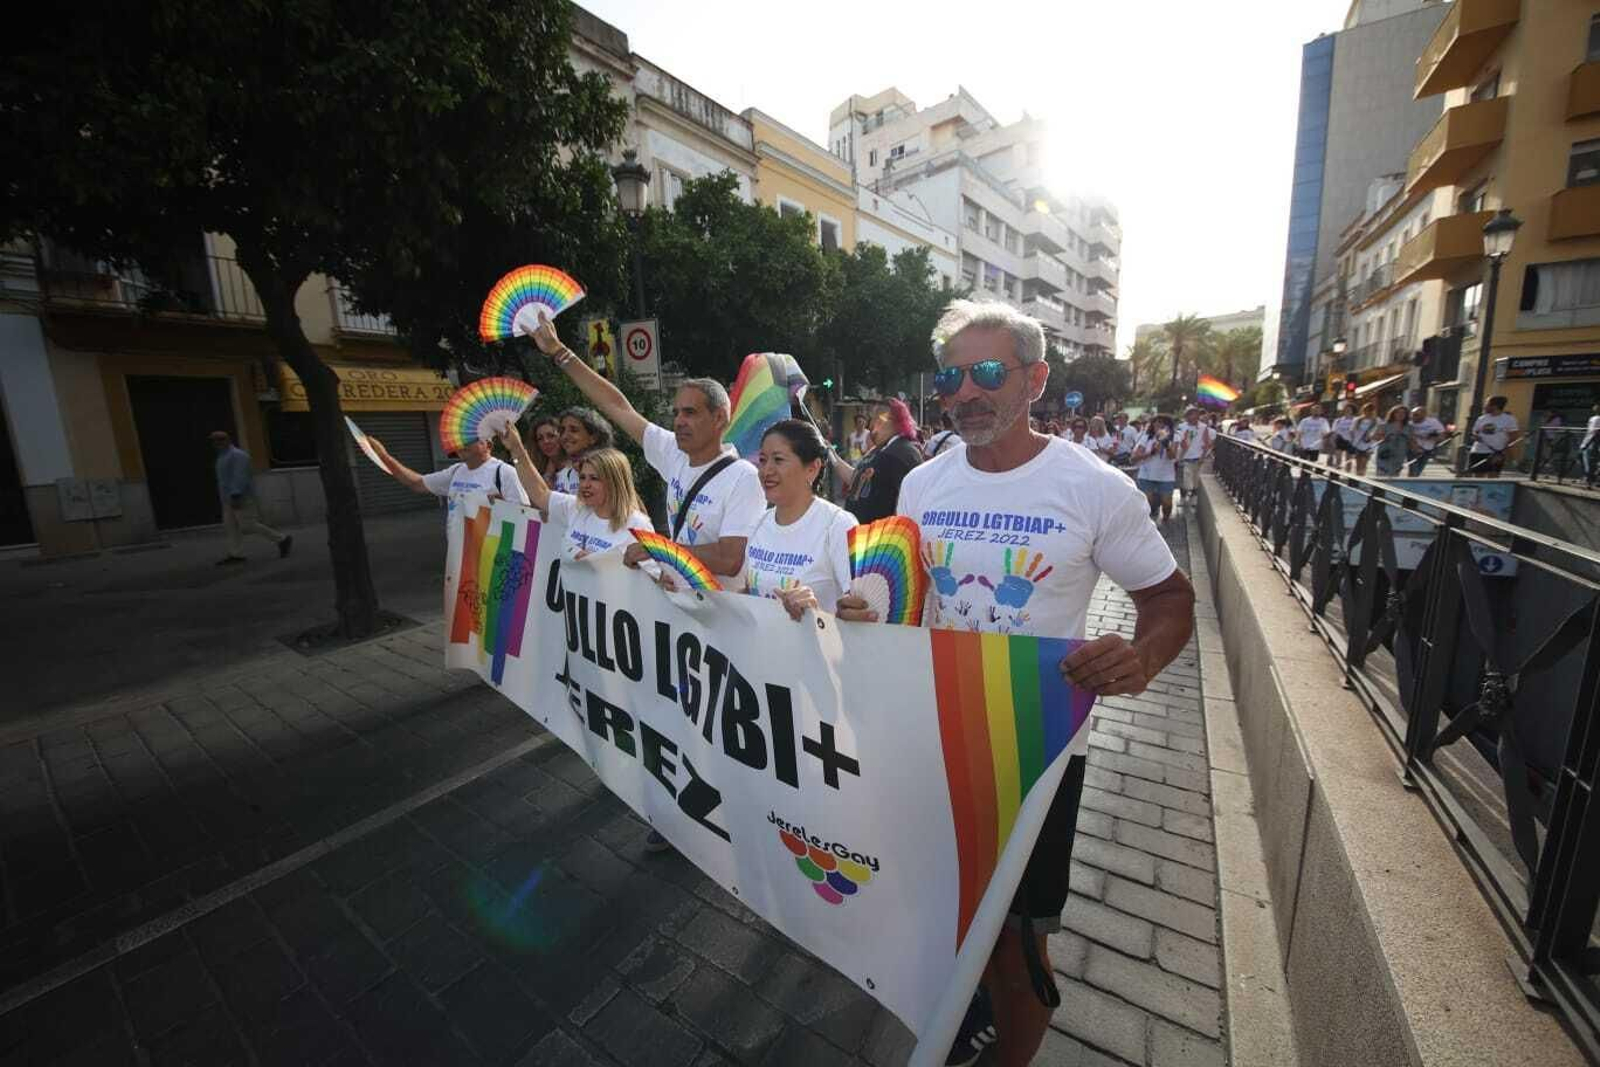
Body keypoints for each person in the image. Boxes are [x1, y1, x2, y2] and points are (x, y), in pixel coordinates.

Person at [837, 299, 1193, 1067]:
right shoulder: (924, 484)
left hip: (1037, 747)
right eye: (951, 376)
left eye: (988, 372)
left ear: (1034, 380)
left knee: (1018, 935)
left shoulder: (1096, 488)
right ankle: (965, 1011)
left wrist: (1142, 658)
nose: (964, 392)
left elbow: (1169, 600)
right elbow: (903, 594)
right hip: (935, 732)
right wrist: (864, 607)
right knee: (951, 908)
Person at [740, 419, 855, 619]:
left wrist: (815, 611)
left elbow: (858, 613)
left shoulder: (838, 525)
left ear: (812, 468)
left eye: (778, 460)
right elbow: (748, 596)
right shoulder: (758, 525)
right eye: (763, 460)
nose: (766, 471)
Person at [502, 432, 652, 561]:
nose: (585, 485)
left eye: (594, 478)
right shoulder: (574, 507)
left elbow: (651, 579)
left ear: (615, 482)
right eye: (582, 477)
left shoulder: (638, 524)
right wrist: (516, 449)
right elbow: (539, 492)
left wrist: (599, 565)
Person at [368, 430, 531, 512]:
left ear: (488, 445)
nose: (461, 443)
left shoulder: (505, 473)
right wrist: (384, 456)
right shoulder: (456, 472)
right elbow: (416, 483)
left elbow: (525, 517)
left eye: (470, 438)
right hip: (460, 559)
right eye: (459, 438)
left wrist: (500, 508)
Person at [829, 398, 923, 523]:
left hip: (882, 538)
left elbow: (913, 501)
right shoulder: (880, 449)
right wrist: (831, 455)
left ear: (892, 420)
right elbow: (856, 478)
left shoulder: (903, 453)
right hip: (862, 535)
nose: (871, 424)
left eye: (876, 419)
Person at [209, 431, 292, 565]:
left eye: (219, 440)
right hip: (226, 498)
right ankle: (236, 554)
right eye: (214, 441)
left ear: (227, 440)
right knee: (231, 527)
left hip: (240, 497)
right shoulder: (222, 457)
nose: (216, 443)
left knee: (247, 525)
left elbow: (240, 477)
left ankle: (282, 539)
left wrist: (236, 494)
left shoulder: (237, 456)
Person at [554, 407, 615, 494]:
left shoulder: (608, 469)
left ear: (593, 438)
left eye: (574, 430)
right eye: (562, 431)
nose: (565, 436)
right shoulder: (564, 474)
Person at [1133, 414, 1181, 523]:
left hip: (1166, 475)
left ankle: (1165, 520)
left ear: (1168, 426)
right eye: (1156, 422)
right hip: (1146, 474)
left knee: (1167, 503)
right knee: (1147, 502)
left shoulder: (1175, 437)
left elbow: (1172, 456)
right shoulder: (1146, 437)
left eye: (1162, 422)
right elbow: (1135, 457)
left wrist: (1166, 444)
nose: (1159, 425)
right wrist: (1151, 453)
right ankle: (1148, 525)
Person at [1468, 395, 1521, 477]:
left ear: (1495, 406)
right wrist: (1475, 436)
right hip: (1478, 451)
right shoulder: (1481, 418)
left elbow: (1514, 436)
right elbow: (1474, 432)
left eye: (1487, 404)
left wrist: (1503, 452)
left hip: (1496, 452)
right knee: (1477, 478)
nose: (1485, 406)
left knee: (1493, 478)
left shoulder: (1509, 419)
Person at [1175, 406, 1214, 509]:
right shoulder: (1181, 426)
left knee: (1195, 480)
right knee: (1184, 480)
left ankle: (1194, 498)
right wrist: (1182, 442)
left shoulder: (1203, 427)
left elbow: (1207, 443)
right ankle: (1183, 498)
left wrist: (1202, 456)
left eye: (1195, 414)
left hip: (1197, 458)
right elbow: (1179, 441)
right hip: (1184, 457)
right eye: (1190, 414)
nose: (1192, 417)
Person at [1406, 406, 1448, 476]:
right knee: (1413, 470)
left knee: (1419, 469)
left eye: (1416, 415)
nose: (1413, 417)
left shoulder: (1433, 422)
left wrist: (1431, 437)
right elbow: (1409, 437)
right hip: (1413, 449)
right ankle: (1411, 484)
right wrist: (1415, 447)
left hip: (1427, 449)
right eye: (1412, 414)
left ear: (1423, 415)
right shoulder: (1409, 423)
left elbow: (1442, 436)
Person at [1372, 405, 1411, 477]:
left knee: (1395, 473)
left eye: (1403, 413)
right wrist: (1383, 437)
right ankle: (1380, 487)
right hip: (1385, 452)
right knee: (1382, 473)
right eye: (1398, 413)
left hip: (1400, 453)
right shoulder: (1384, 425)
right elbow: (1374, 437)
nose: (1400, 415)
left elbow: (1412, 439)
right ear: (1393, 413)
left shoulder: (1408, 427)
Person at [528, 416, 566, 484]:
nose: (546, 441)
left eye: (551, 436)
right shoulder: (537, 473)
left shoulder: (578, 466)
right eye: (540, 438)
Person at [1349, 403, 1379, 476]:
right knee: (1358, 463)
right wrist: (1353, 440)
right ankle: (1357, 478)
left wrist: (1372, 437)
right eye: (1366, 410)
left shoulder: (1376, 420)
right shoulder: (1357, 420)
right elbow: (1352, 431)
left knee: (1364, 462)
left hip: (1369, 445)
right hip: (1358, 444)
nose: (1368, 412)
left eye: (1370, 410)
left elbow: (1379, 432)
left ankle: (1362, 477)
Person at [1330, 403, 1356, 471]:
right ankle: (1336, 473)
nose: (1347, 411)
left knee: (1348, 459)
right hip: (1340, 440)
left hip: (1351, 440)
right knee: (1338, 458)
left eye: (1349, 409)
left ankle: (1347, 473)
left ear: (1353, 410)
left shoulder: (1356, 420)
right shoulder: (1338, 420)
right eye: (1346, 409)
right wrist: (1332, 441)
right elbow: (1334, 431)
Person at [1582, 404, 1600, 484]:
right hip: (1592, 440)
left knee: (1588, 459)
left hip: (1592, 441)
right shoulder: (1593, 418)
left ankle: (1589, 478)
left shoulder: (1594, 419)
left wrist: (1586, 443)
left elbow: (1593, 431)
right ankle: (1590, 477)